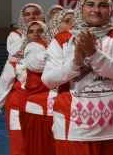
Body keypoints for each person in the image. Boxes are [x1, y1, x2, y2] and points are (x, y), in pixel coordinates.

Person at [41, 0, 113, 155]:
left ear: (110, 10)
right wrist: (75, 63)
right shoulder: (62, 39)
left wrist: (94, 54)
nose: (96, 10)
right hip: (72, 128)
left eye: (102, 5)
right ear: (80, 9)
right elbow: (49, 80)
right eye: (90, 4)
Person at [19, 9, 74, 155]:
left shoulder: (81, 44)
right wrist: (65, 50)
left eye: (76, 20)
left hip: (71, 111)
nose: (72, 24)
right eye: (67, 21)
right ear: (55, 24)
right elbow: (34, 65)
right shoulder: (37, 45)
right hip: (42, 111)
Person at [0, 20, 46, 155]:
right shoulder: (15, 60)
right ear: (25, 35)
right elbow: (4, 85)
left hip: (45, 110)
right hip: (18, 108)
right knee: (19, 146)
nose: (35, 34)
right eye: (30, 32)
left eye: (40, 31)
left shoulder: (56, 55)